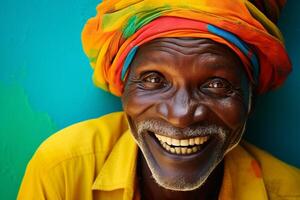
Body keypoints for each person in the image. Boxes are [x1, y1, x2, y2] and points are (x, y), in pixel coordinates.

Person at [18, 0, 300, 199]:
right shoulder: (64, 173)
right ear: (123, 85)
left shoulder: (290, 192)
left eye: (216, 84)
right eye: (154, 80)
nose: (180, 115)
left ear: (250, 96)